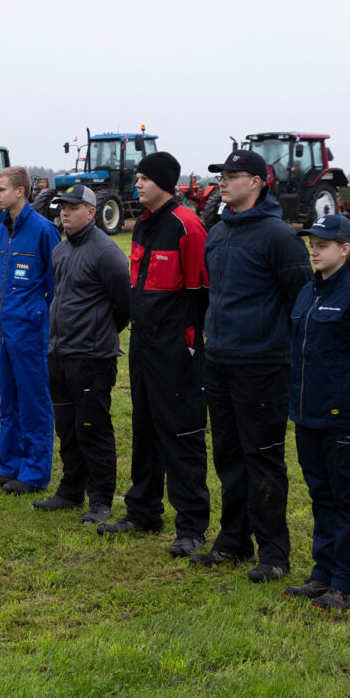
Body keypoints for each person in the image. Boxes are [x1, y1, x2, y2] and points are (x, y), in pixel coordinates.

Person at [191, 149, 312, 583]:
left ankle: (274, 553)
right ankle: (233, 540)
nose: (223, 182)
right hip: (219, 361)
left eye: (233, 175)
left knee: (262, 458)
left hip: (261, 365)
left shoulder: (278, 236)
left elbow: (301, 301)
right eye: (220, 175)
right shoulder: (219, 232)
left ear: (258, 182)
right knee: (227, 455)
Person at [100, 152, 213, 555]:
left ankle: (191, 525)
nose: (138, 185)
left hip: (176, 348)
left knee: (180, 432)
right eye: (139, 178)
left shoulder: (188, 226)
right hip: (144, 345)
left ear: (165, 182)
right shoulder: (143, 225)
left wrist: (188, 342)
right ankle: (143, 511)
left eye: (146, 178)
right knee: (145, 428)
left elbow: (201, 292)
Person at [281, 213, 350, 612]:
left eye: (323, 245)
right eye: (312, 243)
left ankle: (346, 583)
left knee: (346, 498)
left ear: (345, 250)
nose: (314, 250)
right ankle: (322, 573)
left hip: (344, 418)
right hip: (307, 416)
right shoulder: (307, 295)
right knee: (320, 495)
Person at [32, 185, 131, 525]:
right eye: (62, 208)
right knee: (67, 428)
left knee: (93, 428)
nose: (65, 213)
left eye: (73, 208)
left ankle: (101, 499)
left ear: (91, 212)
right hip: (58, 352)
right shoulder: (61, 250)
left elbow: (122, 303)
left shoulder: (106, 252)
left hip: (90, 357)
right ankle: (70, 491)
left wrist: (105, 335)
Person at [0, 166, 61, 494]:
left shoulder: (44, 231)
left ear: (21, 191)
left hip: (31, 331)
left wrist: (47, 323)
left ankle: (34, 472)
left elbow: (56, 286)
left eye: (1, 189)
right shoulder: (2, 229)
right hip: (4, 328)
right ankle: (10, 465)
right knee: (10, 400)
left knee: (33, 402)